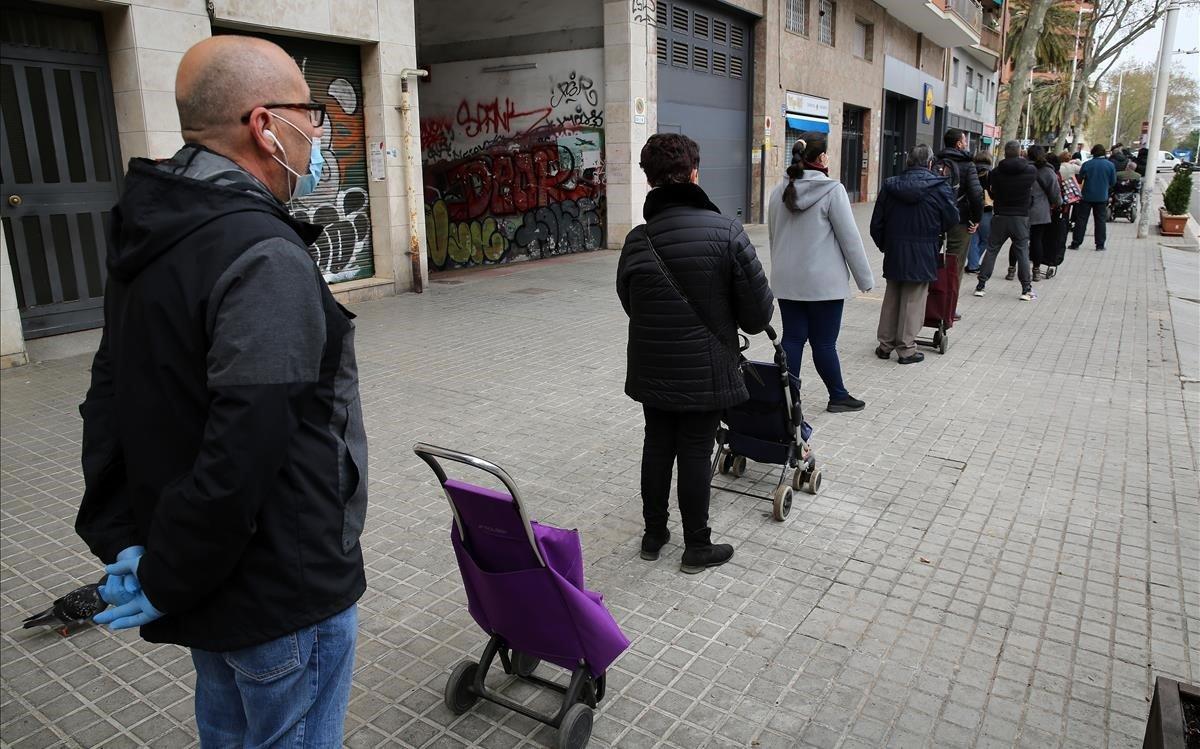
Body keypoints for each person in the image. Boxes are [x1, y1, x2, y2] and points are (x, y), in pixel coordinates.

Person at [76, 36, 366, 746]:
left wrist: (139, 547)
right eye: (311, 114)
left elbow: (107, 400)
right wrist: (164, 570)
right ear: (267, 125)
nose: (319, 135)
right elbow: (246, 445)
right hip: (282, 589)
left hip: (206, 576)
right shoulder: (263, 253)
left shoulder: (153, 230)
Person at [617, 133, 774, 573]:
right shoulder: (727, 231)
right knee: (694, 448)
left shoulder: (637, 240)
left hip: (652, 365)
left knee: (656, 443)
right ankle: (697, 545)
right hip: (706, 368)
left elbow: (630, 302)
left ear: (650, 181)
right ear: (694, 174)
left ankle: (653, 534)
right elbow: (758, 315)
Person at [766, 134, 874, 413]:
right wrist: (865, 280)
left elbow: (773, 235)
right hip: (823, 285)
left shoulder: (779, 191)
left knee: (792, 339)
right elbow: (850, 239)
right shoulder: (832, 191)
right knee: (824, 342)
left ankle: (787, 401)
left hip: (788, 282)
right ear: (822, 158)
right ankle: (837, 395)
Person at [870, 145, 959, 364]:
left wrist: (885, 245)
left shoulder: (890, 186)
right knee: (914, 299)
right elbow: (952, 219)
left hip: (895, 249)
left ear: (908, 162)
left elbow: (876, 224)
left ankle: (885, 345)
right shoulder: (939, 187)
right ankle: (906, 349)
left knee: (892, 296)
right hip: (923, 249)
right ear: (930, 163)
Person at [973, 140, 1039, 301]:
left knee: (992, 249)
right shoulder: (1030, 171)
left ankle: (981, 286)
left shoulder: (995, 172)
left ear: (1005, 152)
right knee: (1022, 251)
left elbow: (992, 192)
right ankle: (1026, 289)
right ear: (1019, 152)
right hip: (1020, 216)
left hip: (1000, 215)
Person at [934, 129, 984, 288]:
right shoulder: (968, 165)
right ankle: (949, 305)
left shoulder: (936, 161)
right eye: (965, 141)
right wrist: (976, 219)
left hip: (935, 217)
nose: (967, 144)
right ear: (958, 144)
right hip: (960, 218)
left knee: (930, 258)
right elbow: (976, 194)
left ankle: (929, 300)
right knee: (955, 262)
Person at [1070, 144, 1117, 251]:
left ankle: (1076, 243)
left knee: (1081, 220)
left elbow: (1080, 180)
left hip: (1086, 196)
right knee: (1100, 221)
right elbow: (1113, 182)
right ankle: (1100, 245)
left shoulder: (1087, 164)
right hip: (1102, 197)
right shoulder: (1110, 165)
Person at [1027, 145, 1062, 281]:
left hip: (1021, 209)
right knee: (1037, 240)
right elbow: (1055, 193)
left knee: (1019, 241)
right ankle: (1036, 270)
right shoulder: (1048, 172)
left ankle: (1012, 269)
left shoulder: (1022, 168)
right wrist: (1058, 204)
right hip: (1040, 211)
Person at [1042, 153, 1070, 279]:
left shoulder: (1038, 172)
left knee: (1037, 237)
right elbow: (1057, 197)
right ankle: (1048, 261)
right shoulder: (1055, 175)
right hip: (1053, 213)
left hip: (1038, 212)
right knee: (1050, 238)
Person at [966, 150, 994, 274]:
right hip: (986, 209)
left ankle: (972, 264)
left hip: (970, 208)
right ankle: (974, 263)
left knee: (973, 237)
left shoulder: (970, 171)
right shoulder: (991, 174)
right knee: (986, 239)